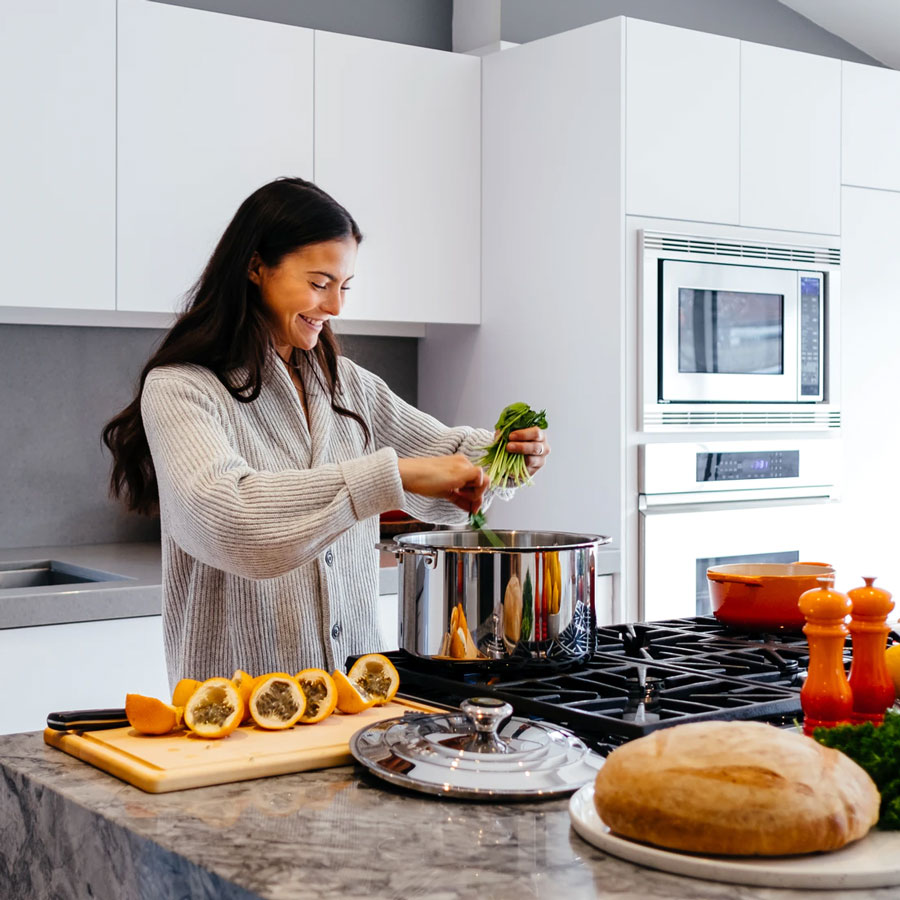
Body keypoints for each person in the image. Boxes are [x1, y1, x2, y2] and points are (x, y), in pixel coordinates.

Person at [103, 177, 550, 687]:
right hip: (236, 710)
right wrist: (390, 476)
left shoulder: (347, 385)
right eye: (319, 283)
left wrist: (504, 456)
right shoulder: (183, 388)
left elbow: (446, 457)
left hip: (356, 698)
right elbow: (229, 520)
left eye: (344, 286)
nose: (336, 307)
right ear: (255, 268)